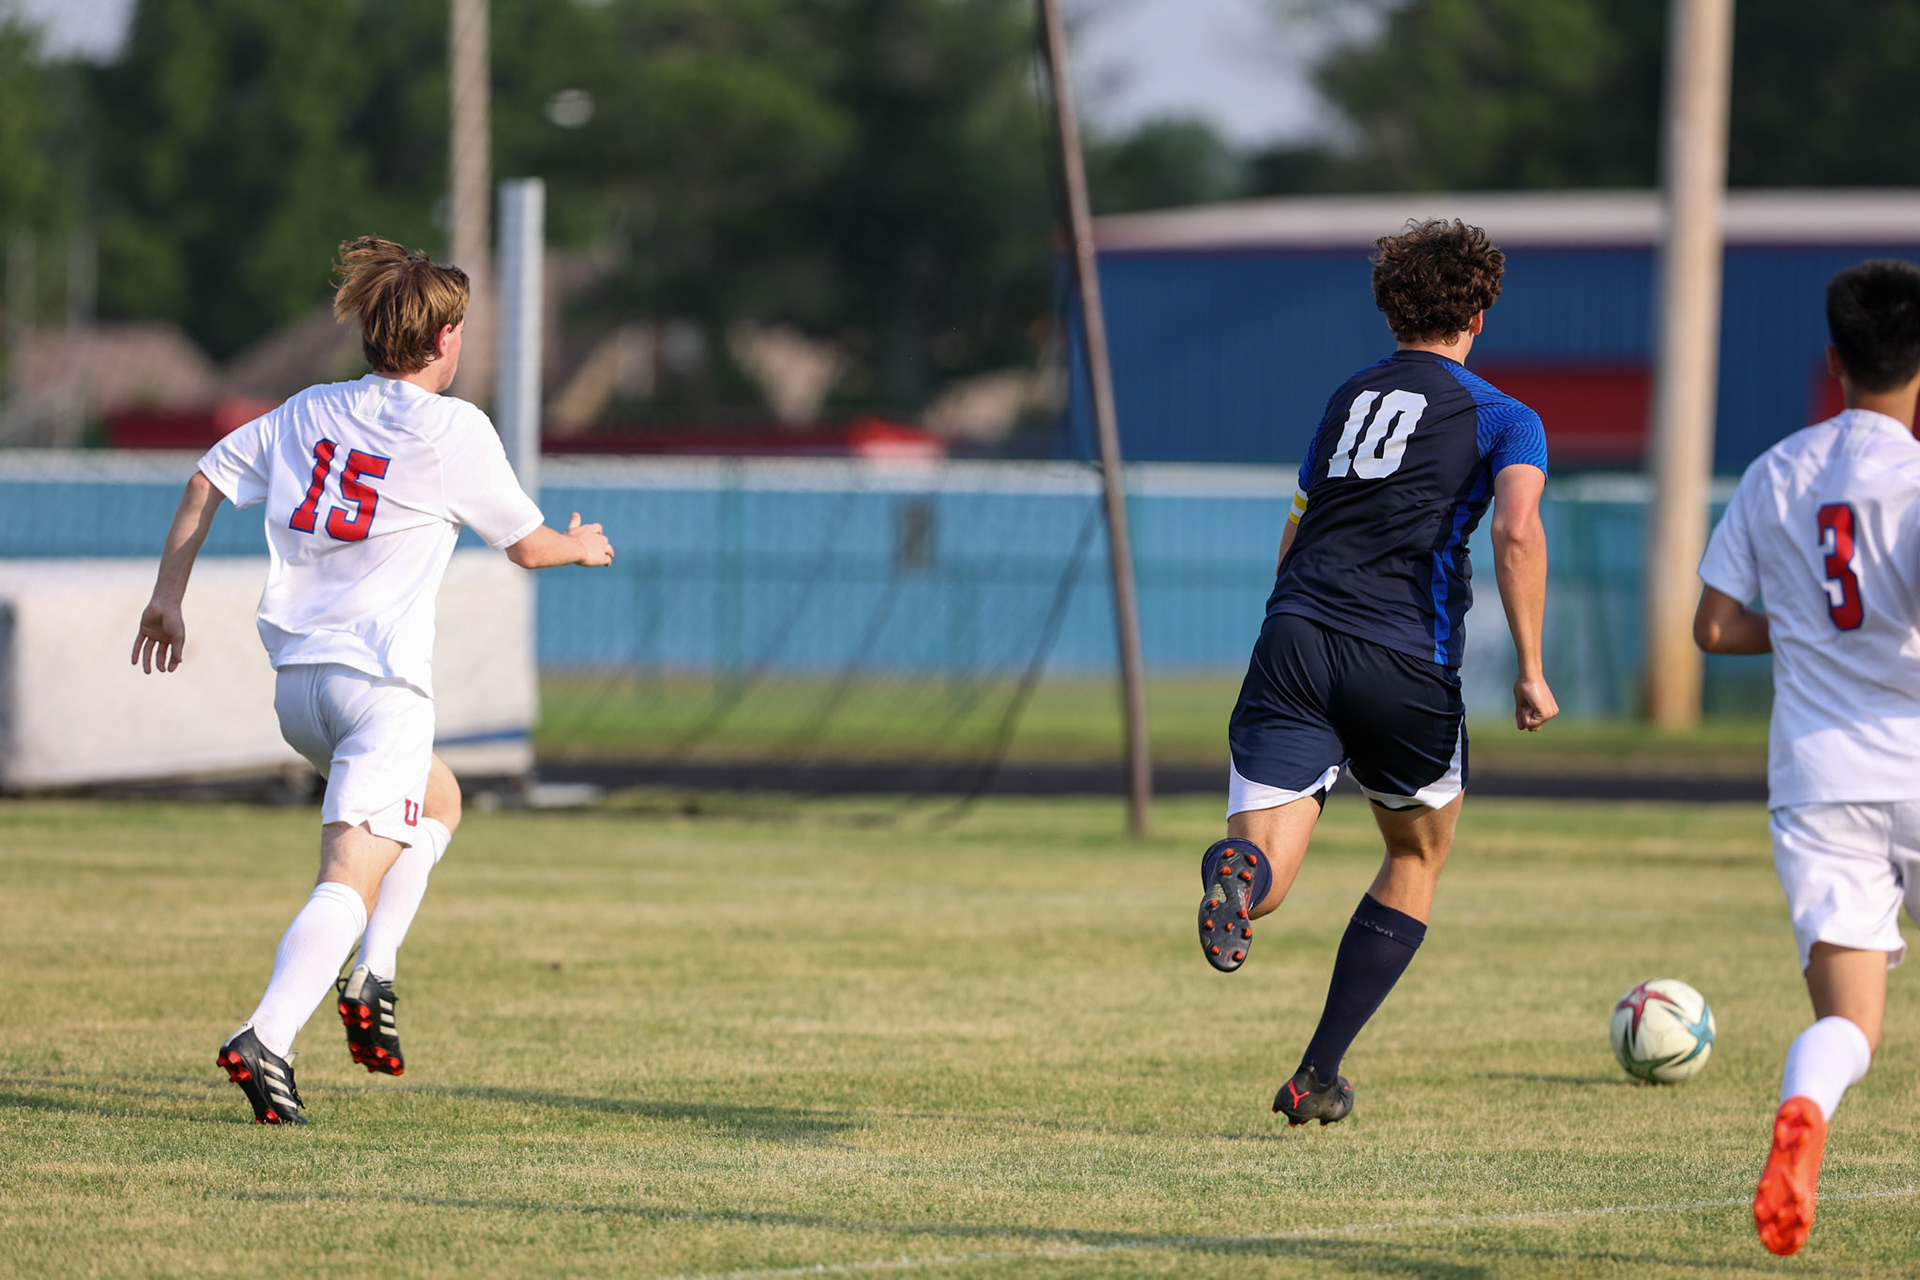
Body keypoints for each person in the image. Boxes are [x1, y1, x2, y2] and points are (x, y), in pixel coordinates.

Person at [132, 236, 614, 1125]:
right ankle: (266, 1037)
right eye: (461, 328)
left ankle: (374, 974)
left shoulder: (309, 407)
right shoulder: (454, 428)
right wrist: (581, 548)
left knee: (440, 803)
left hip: (301, 690)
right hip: (379, 688)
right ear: (442, 341)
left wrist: (168, 599)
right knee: (346, 879)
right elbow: (529, 547)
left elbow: (206, 477)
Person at [1199, 218, 1556, 1127]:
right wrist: (1532, 667)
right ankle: (1316, 1072)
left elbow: (1298, 523)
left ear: (1390, 305)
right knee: (1416, 852)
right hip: (1405, 656)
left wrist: (1294, 632)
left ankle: (1234, 876)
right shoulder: (1506, 416)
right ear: (1478, 312)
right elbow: (1516, 529)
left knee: (1268, 875)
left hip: (1296, 633)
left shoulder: (1348, 399)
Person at [1694, 258, 1920, 1256]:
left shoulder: (1776, 470)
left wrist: (1808, 629)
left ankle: (1804, 1112)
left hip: (1820, 781)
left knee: (1852, 1025)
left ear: (1834, 362)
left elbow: (1712, 626)